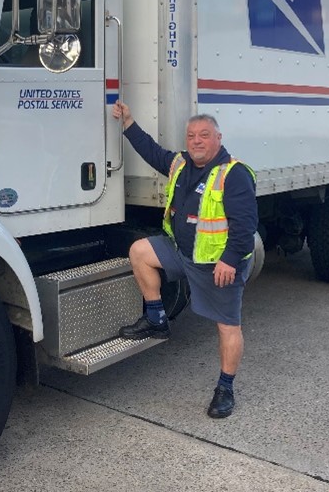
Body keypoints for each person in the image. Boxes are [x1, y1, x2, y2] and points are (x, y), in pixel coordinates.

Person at [112, 100, 258, 418]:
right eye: (191, 135)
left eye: (204, 135)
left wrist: (230, 260)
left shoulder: (233, 174)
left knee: (228, 327)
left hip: (216, 265)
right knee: (140, 251)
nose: (196, 141)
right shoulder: (180, 164)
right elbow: (151, 152)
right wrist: (128, 122)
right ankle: (156, 319)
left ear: (218, 138)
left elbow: (246, 225)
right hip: (181, 253)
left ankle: (225, 388)